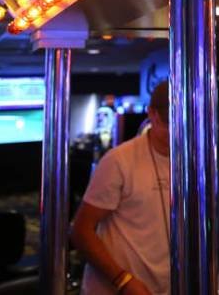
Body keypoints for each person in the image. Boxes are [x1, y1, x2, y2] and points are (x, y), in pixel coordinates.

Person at [71, 82, 171, 295]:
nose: (177, 134)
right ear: (152, 114)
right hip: (116, 288)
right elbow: (81, 231)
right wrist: (123, 280)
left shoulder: (189, 163)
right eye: (170, 125)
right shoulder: (119, 161)